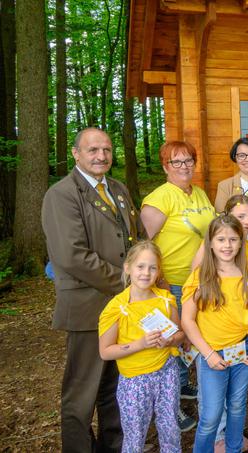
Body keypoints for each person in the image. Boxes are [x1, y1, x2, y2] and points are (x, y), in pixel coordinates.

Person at [41, 127, 144, 452]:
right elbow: (72, 256)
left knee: (115, 389)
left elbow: (136, 238)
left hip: (123, 308)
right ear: (76, 153)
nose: (101, 156)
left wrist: (143, 274)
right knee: (82, 393)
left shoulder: (118, 189)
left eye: (107, 150)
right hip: (89, 310)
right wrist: (128, 282)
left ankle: (113, 447)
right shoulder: (62, 194)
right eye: (92, 150)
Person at [141, 140, 217, 431]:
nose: (184, 166)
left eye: (189, 161)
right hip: (170, 282)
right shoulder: (159, 198)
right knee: (170, 343)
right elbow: (145, 243)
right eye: (177, 162)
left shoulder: (198, 193)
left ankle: (183, 387)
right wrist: (156, 279)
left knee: (188, 338)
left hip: (198, 281)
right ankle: (168, 410)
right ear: (165, 167)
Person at [181, 215, 248, 452]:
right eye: (221, 239)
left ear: (241, 242)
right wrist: (208, 354)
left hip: (244, 350)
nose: (227, 245)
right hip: (213, 355)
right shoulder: (201, 277)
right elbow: (187, 320)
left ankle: (233, 448)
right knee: (211, 416)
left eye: (233, 239)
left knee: (238, 405)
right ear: (210, 242)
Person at [98, 241, 184, 453]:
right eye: (140, 266)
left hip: (167, 372)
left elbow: (180, 334)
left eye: (152, 268)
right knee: (135, 433)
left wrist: (170, 340)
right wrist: (140, 344)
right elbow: (105, 351)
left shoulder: (165, 300)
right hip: (134, 381)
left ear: (158, 271)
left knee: (170, 426)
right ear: (127, 267)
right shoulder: (117, 308)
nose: (146, 273)